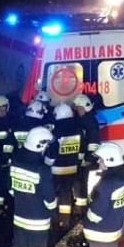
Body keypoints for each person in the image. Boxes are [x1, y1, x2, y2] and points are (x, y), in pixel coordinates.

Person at [8, 126, 57, 247]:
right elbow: (49, 198)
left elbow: (12, 189)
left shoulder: (16, 161)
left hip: (19, 216)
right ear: (40, 145)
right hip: (38, 220)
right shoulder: (41, 169)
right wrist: (53, 209)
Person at [44, 101, 82, 237]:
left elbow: (52, 151)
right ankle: (65, 221)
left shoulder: (56, 131)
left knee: (52, 194)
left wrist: (46, 163)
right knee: (66, 194)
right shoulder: (77, 129)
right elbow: (81, 148)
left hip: (56, 170)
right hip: (72, 168)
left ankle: (53, 220)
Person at [72, 93, 101, 219]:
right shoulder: (85, 119)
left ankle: (81, 209)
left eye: (78, 108)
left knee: (81, 183)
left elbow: (93, 143)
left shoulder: (90, 122)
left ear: (84, 108)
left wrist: (88, 159)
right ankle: (80, 206)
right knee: (79, 182)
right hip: (81, 159)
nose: (77, 111)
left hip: (85, 160)